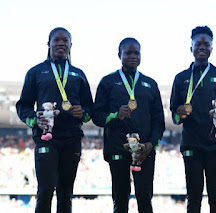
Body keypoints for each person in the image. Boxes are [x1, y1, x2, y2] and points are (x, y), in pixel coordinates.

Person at [16, 27, 93, 213]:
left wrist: (82, 112)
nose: (61, 43)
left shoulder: (79, 74)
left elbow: (91, 110)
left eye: (65, 40)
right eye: (56, 40)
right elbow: (23, 106)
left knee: (66, 193)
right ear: (48, 44)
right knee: (46, 190)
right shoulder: (35, 72)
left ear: (70, 45)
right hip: (46, 138)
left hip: (72, 138)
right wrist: (35, 119)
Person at [92, 37, 165, 213]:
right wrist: (116, 115)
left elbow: (159, 121)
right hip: (117, 148)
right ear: (119, 54)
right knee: (120, 200)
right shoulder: (108, 82)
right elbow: (97, 117)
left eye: (137, 53)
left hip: (144, 149)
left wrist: (150, 144)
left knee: (145, 199)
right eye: (128, 52)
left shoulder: (150, 84)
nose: (133, 56)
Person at [170, 26, 216, 213]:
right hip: (192, 145)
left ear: (212, 48)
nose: (202, 47)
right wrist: (179, 113)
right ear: (191, 48)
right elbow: (174, 115)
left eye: (206, 44)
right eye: (198, 44)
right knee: (193, 198)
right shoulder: (181, 78)